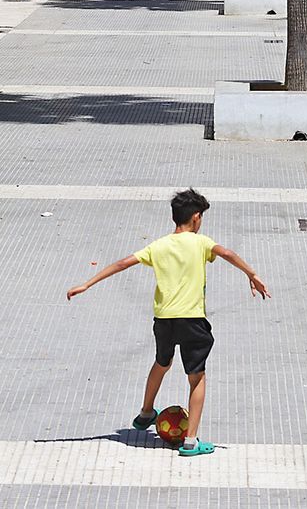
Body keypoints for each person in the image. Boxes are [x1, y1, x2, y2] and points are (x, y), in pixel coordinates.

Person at [66, 188, 269, 458]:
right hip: (192, 319)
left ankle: (146, 412)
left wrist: (87, 284)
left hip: (163, 319)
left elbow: (122, 263)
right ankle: (191, 441)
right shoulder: (200, 242)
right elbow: (227, 252)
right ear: (196, 217)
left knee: (162, 363)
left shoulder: (158, 246)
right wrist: (252, 273)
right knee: (196, 378)